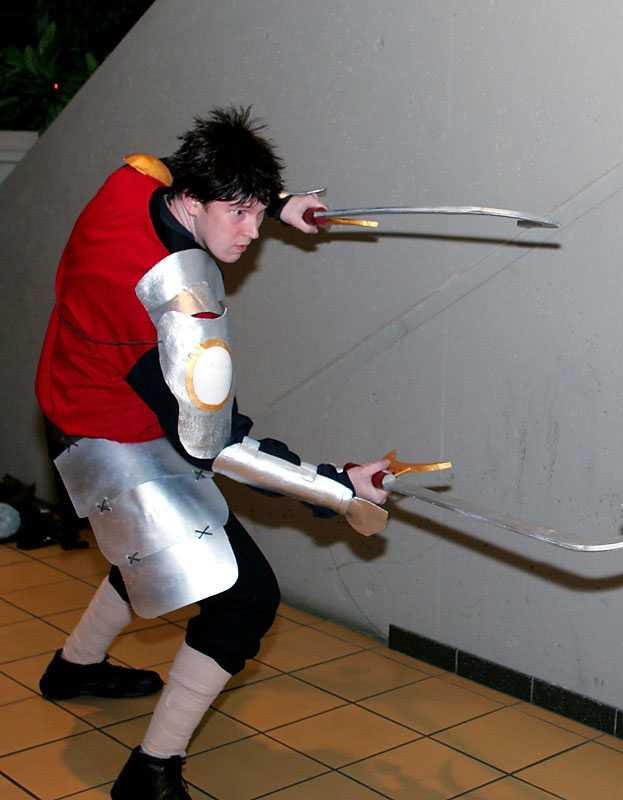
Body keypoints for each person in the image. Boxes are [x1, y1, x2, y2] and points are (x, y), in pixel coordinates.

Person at [34, 107, 391, 800]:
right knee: (245, 600)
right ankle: (152, 771)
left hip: (83, 389)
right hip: (109, 435)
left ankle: (74, 668)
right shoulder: (175, 300)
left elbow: (171, 166)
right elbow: (217, 443)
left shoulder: (134, 182)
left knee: (164, 546)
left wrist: (278, 202)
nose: (253, 233)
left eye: (257, 212)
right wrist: (337, 487)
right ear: (194, 201)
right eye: (240, 214)